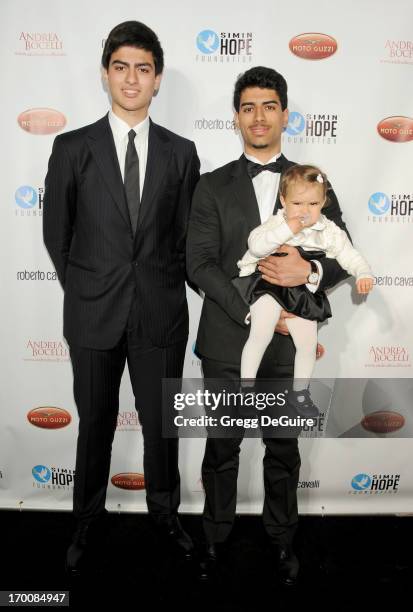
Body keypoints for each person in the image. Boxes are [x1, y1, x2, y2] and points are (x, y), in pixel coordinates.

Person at [43, 20, 200, 575]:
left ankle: (165, 515)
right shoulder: (71, 147)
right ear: (105, 74)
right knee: (94, 424)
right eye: (120, 67)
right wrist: (86, 286)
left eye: (143, 69)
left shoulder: (182, 153)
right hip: (92, 314)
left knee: (162, 426)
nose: (131, 79)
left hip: (160, 313)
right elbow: (55, 235)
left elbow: (186, 239)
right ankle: (86, 521)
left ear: (157, 80)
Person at [186, 66, 350, 586]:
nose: (259, 116)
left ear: (284, 113)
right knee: (221, 445)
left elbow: (345, 253)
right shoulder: (211, 186)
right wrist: (256, 310)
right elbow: (200, 264)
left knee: (284, 447)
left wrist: (313, 272)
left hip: (290, 343)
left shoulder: (314, 181)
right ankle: (215, 537)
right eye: (249, 106)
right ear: (236, 116)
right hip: (228, 338)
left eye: (269, 105)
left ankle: (282, 540)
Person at [236, 163, 373, 417]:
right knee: (260, 332)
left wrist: (363, 273)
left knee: (308, 344)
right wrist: (288, 229)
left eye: (313, 204)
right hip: (269, 286)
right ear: (283, 200)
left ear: (323, 203)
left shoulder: (329, 231)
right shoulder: (275, 223)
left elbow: (349, 255)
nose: (304, 211)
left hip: (304, 292)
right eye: (297, 203)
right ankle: (246, 388)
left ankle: (300, 394)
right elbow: (255, 246)